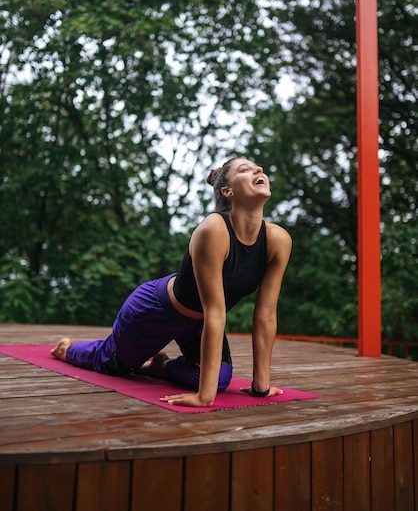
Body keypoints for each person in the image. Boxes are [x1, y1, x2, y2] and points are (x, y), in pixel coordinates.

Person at [51, 156, 292, 408]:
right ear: (227, 191)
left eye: (259, 168)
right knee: (113, 364)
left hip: (197, 323)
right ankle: (67, 349)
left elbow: (265, 316)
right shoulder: (215, 229)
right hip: (155, 310)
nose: (259, 170)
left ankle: (160, 366)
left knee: (217, 380)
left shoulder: (278, 240)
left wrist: (261, 388)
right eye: (246, 169)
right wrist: (204, 397)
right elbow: (216, 313)